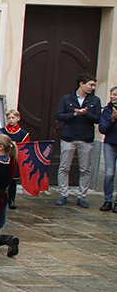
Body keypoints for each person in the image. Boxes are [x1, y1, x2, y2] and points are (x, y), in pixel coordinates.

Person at [55, 72, 101, 208]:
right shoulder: (67, 98)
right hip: (69, 137)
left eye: (94, 85)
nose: (93, 87)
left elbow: (98, 119)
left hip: (86, 138)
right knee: (64, 167)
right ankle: (63, 194)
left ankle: (82, 196)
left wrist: (86, 114)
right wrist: (74, 114)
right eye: (91, 84)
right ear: (82, 84)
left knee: (85, 169)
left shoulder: (95, 100)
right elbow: (59, 115)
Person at [0, 109, 29, 210]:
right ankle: (1, 198)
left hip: (15, 159)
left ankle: (12, 199)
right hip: (4, 159)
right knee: (2, 179)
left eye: (13, 118)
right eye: (9, 118)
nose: (11, 120)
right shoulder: (3, 131)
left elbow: (25, 147)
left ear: (18, 119)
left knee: (13, 181)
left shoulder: (23, 133)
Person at [97, 88, 117, 212]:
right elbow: (102, 129)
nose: (112, 97)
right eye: (111, 94)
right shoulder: (107, 110)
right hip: (110, 144)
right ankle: (108, 201)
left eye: (115, 95)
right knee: (109, 174)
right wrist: (113, 120)